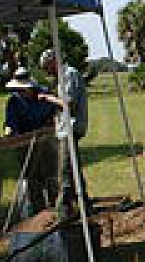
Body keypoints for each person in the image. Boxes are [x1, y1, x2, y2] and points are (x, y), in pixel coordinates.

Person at [39, 48, 90, 218]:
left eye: (47, 67)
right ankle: (84, 206)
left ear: (53, 61)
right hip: (66, 128)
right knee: (73, 170)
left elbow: (69, 104)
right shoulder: (64, 76)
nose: (47, 71)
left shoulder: (69, 74)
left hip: (71, 128)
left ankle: (63, 212)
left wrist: (48, 98)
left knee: (65, 172)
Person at [4, 67, 59, 216]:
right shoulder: (13, 102)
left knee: (51, 177)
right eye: (17, 89)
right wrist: (9, 132)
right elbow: (10, 123)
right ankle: (39, 215)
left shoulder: (44, 94)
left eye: (23, 89)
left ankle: (57, 210)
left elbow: (56, 112)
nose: (20, 92)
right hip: (24, 144)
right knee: (32, 181)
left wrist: (50, 124)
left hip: (46, 141)